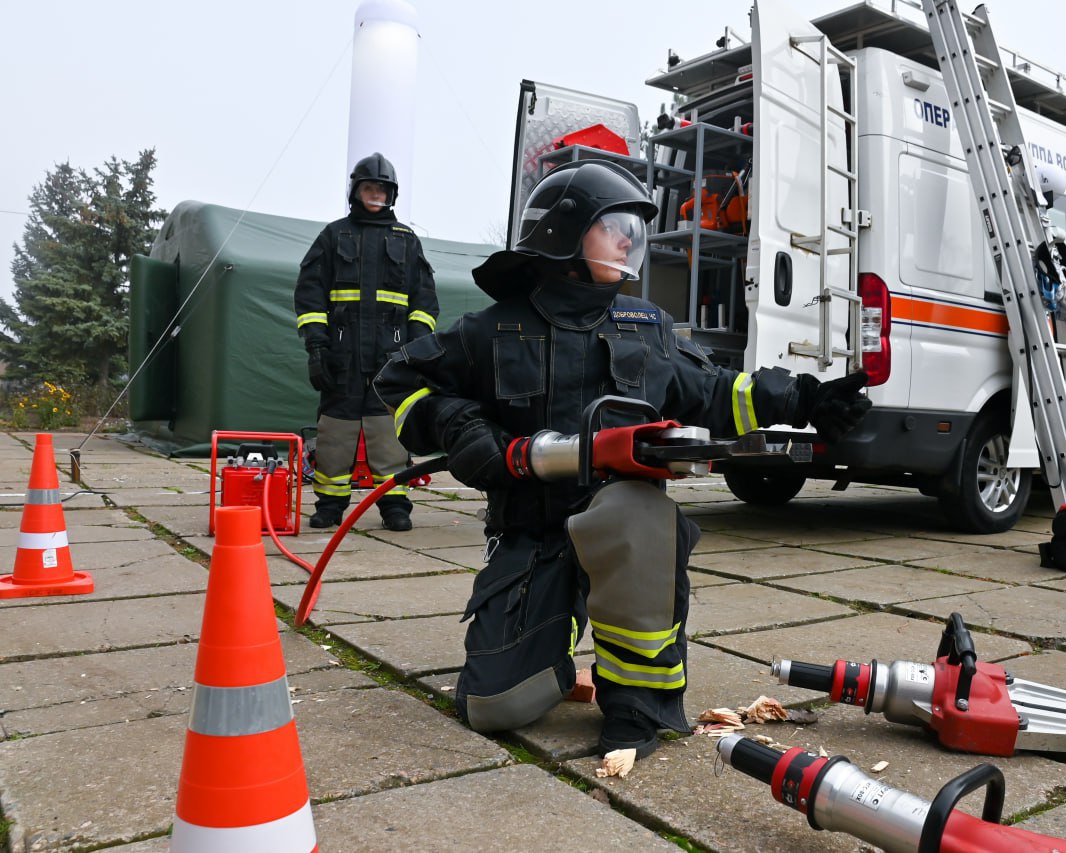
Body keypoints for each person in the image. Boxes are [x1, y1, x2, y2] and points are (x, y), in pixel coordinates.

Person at [373, 159, 870, 758]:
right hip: (531, 530)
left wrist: (804, 398)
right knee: (495, 706)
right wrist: (467, 430)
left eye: (631, 229)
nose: (628, 240)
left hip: (624, 529)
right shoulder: (492, 330)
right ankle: (560, 618)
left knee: (639, 515)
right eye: (613, 226)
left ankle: (638, 702)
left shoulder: (645, 327)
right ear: (564, 233)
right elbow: (402, 380)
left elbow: (714, 391)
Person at [294, 152, 438, 531]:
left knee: (387, 434)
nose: (375, 194)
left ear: (391, 195)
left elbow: (424, 301)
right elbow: (310, 294)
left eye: (382, 189)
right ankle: (330, 505)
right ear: (356, 191)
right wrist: (316, 348)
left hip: (391, 358)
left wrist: (415, 352)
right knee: (335, 433)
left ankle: (394, 506)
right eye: (369, 188)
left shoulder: (407, 240)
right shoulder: (333, 236)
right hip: (341, 355)